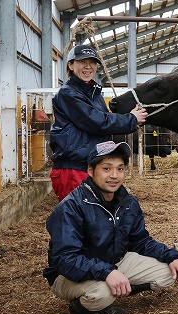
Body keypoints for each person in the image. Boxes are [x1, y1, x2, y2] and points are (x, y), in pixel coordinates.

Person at [44, 141, 178, 314]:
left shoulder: (127, 201)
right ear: (91, 170)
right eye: (106, 168)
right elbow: (65, 259)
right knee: (101, 293)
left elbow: (140, 240)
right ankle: (80, 310)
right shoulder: (71, 206)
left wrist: (170, 256)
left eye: (120, 169)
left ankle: (114, 289)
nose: (114, 175)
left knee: (168, 274)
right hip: (69, 275)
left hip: (113, 262)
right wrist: (106, 273)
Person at [49, 44, 148, 201]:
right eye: (82, 62)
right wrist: (131, 119)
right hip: (73, 167)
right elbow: (96, 121)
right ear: (70, 64)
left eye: (92, 63)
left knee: (95, 216)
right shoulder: (67, 93)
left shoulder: (93, 93)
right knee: (78, 217)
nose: (88, 67)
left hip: (91, 163)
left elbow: (102, 120)